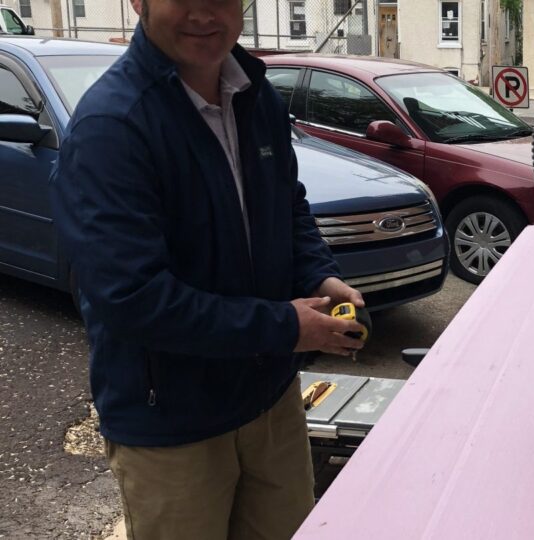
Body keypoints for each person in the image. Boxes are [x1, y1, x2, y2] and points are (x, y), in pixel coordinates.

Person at [49, 0, 368, 536]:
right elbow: (132, 299)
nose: (204, 13)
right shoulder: (112, 125)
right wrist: (286, 327)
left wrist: (318, 273)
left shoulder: (255, 94)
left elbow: (286, 202)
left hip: (271, 402)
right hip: (173, 424)